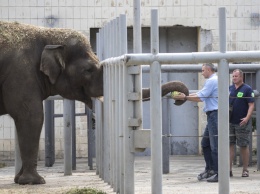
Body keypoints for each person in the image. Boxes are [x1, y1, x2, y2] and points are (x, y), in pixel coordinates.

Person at [172, 63, 219, 182]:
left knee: (215, 146)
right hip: (212, 115)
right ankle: (210, 169)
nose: (202, 73)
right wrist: (185, 96)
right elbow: (199, 94)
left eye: (203, 70)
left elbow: (200, 98)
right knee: (205, 143)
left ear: (209, 70)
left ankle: (218, 172)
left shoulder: (212, 81)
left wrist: (184, 98)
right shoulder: (212, 80)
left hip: (215, 114)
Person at [229, 69, 254, 178]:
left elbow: (251, 105)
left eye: (236, 76)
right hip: (230, 121)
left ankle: (245, 169)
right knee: (230, 145)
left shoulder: (247, 89)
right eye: (233, 76)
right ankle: (228, 170)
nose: (234, 78)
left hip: (242, 122)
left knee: (243, 145)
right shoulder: (229, 89)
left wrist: (247, 118)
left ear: (241, 77)